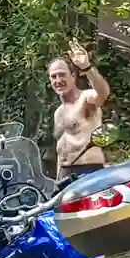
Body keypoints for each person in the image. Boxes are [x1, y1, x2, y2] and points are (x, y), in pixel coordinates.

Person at [48, 40, 111, 185]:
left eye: (62, 75)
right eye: (53, 76)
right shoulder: (58, 112)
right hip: (65, 175)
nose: (58, 80)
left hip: (88, 171)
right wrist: (58, 180)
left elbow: (103, 94)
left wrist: (87, 67)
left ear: (73, 76)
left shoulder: (86, 99)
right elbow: (61, 150)